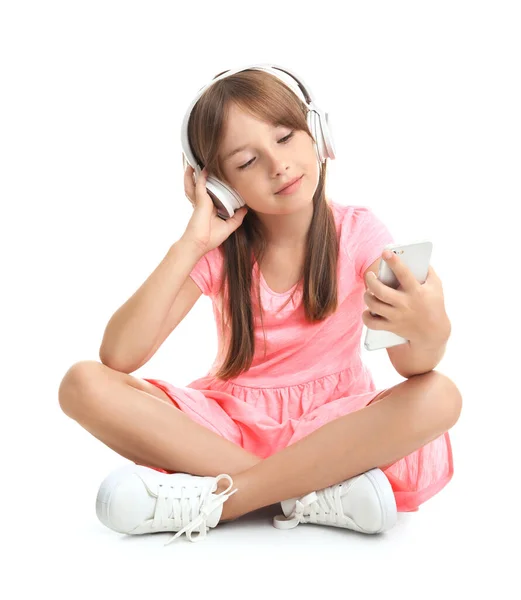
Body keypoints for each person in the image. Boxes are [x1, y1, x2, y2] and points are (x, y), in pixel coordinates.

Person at [58, 65, 462, 545]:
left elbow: (411, 364)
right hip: (230, 430)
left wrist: (430, 331)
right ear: (220, 186)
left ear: (317, 134)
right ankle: (311, 493)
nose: (278, 165)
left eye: (286, 137)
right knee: (81, 383)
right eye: (247, 162)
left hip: (336, 429)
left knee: (440, 395)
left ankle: (224, 498)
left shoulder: (358, 232)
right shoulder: (220, 250)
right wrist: (191, 242)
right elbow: (119, 356)